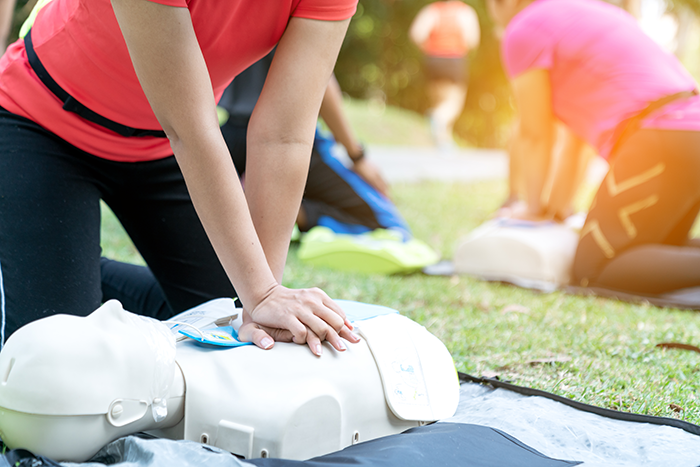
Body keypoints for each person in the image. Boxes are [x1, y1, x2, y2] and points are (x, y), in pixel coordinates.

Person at [0, 0, 362, 355]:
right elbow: (188, 126)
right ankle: (20, 267)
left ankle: (56, 267)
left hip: (161, 148)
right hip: (41, 124)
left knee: (229, 316)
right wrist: (261, 292)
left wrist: (260, 300)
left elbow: (283, 135)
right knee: (53, 356)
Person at [487, 0, 700, 296]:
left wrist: (532, 208)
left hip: (661, 135)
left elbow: (535, 132)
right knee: (656, 247)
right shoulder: (584, 12)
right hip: (690, 129)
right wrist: (556, 209)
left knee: (595, 268)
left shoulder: (522, 28)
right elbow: (576, 144)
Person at [409, 1, 480, 151]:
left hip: (433, 59)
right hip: (454, 59)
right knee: (453, 103)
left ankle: (444, 142)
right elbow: (472, 40)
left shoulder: (432, 10)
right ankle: (436, 119)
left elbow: (416, 34)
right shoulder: (465, 12)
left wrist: (427, 47)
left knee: (439, 101)